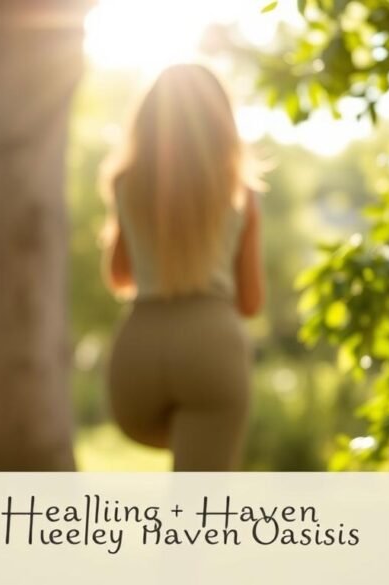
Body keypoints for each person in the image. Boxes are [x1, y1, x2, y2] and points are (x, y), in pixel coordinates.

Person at [100, 63, 264, 471]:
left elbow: (119, 276)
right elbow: (250, 302)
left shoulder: (126, 183)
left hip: (137, 352)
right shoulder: (239, 193)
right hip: (212, 347)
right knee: (201, 511)